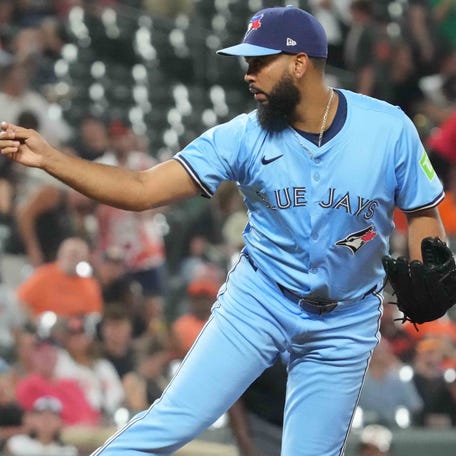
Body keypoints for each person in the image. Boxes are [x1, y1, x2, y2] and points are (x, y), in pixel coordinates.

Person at [0, 5, 450, 455]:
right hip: (261, 302)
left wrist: (427, 258)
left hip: (346, 320)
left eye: (259, 62)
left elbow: (422, 210)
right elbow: (141, 188)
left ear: (299, 63)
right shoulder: (242, 136)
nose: (248, 74)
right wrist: (50, 159)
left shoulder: (388, 128)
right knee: (170, 424)